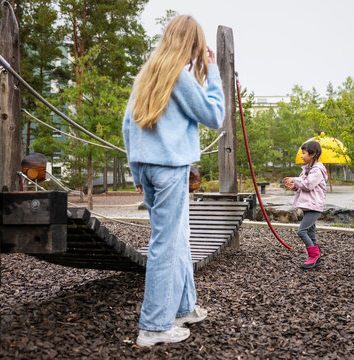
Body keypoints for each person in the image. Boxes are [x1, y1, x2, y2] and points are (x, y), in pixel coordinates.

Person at [122, 15, 225, 347]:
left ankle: (183, 307)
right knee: (166, 244)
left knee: (178, 236)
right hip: (169, 170)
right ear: (193, 44)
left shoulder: (148, 74)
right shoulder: (179, 76)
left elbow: (128, 125)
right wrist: (213, 72)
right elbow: (214, 116)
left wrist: (136, 173)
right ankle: (153, 326)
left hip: (148, 169)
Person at [284, 140, 328, 269]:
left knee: (302, 231)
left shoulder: (317, 170)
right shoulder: (307, 169)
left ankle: (313, 257)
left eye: (304, 153)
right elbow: (303, 185)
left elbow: (308, 185)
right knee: (311, 233)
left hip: (314, 206)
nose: (302, 156)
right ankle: (317, 260)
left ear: (312, 154)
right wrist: (294, 187)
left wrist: (294, 179)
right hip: (308, 205)